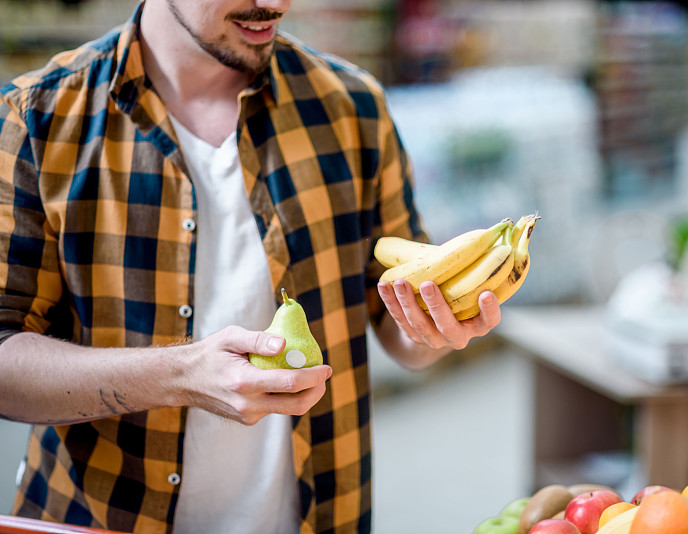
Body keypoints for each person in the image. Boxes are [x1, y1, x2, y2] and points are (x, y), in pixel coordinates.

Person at [0, 1, 503, 532]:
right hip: (102, 516)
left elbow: (398, 331)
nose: (275, 2)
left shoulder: (353, 108)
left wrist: (436, 331)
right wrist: (181, 376)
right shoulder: (39, 117)